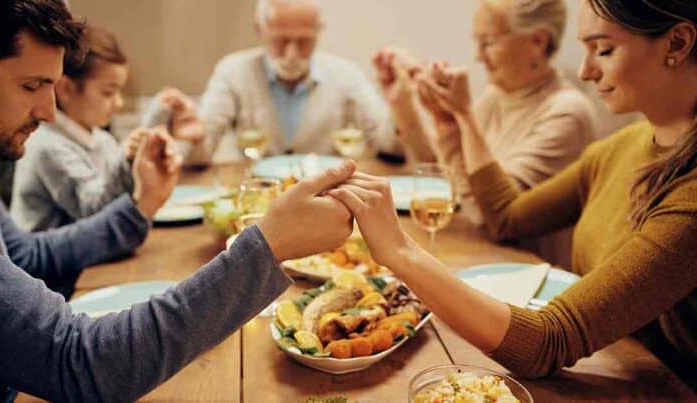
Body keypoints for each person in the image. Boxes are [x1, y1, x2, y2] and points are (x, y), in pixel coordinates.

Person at [0, 1, 356, 401]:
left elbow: (24, 253)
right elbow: (83, 361)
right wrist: (268, 245)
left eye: (51, 87)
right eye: (31, 85)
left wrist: (139, 207)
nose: (49, 112)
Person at [329, 0, 697, 388]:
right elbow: (507, 216)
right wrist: (452, 119)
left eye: (604, 50)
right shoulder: (622, 146)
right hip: (608, 363)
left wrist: (399, 252)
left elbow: (546, 342)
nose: (586, 71)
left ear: (677, 43)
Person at [374, 0, 598, 268]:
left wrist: (462, 116)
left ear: (538, 41)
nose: (478, 55)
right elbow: (447, 179)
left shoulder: (568, 113)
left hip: (528, 275)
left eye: (488, 42)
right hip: (484, 257)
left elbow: (492, 217)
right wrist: (408, 106)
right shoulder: (497, 96)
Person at [143, 0, 397, 163]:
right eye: (281, 40)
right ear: (260, 29)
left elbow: (391, 147)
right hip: (258, 203)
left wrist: (401, 105)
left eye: (304, 41)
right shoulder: (232, 71)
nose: (292, 54)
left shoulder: (345, 74)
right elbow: (203, 153)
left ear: (319, 31)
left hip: (327, 200)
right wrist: (190, 139)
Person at [9, 25, 198, 232]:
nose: (118, 103)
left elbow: (124, 188)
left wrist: (152, 138)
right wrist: (130, 155)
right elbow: (96, 211)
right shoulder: (47, 147)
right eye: (108, 92)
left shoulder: (101, 140)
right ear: (66, 89)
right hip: (54, 264)